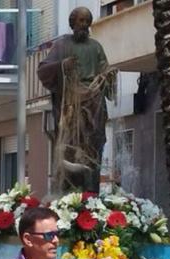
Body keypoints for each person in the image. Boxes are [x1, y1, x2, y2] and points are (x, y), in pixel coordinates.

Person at [37, 6, 112, 193]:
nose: (84, 25)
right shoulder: (62, 45)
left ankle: (91, 190)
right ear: (73, 23)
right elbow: (43, 70)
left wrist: (108, 77)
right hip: (71, 104)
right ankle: (68, 189)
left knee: (92, 145)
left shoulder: (96, 47)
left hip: (94, 103)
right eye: (81, 21)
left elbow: (105, 71)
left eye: (87, 21)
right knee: (70, 144)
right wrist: (63, 65)